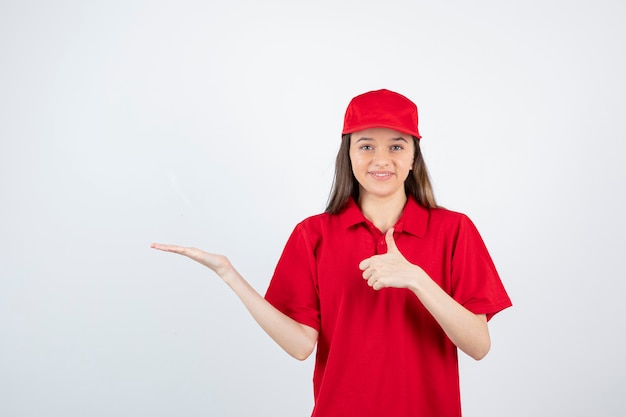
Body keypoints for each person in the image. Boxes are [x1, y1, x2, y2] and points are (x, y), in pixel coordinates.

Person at [151, 89, 512, 417]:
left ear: (415, 157)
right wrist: (229, 274)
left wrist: (417, 279)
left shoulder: (454, 230)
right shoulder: (313, 235)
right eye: (366, 146)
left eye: (397, 146)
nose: (381, 159)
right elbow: (300, 346)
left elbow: (478, 346)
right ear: (349, 155)